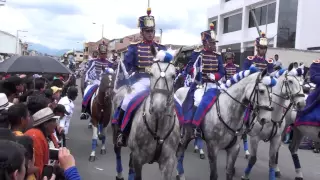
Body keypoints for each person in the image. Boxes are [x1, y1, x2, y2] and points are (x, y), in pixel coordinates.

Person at [116, 7, 167, 146]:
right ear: (142, 32)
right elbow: (126, 65)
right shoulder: (134, 47)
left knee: (176, 103)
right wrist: (126, 79)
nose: (151, 34)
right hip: (142, 80)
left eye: (152, 31)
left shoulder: (161, 48)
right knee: (127, 101)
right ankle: (122, 132)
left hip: (159, 82)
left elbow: (168, 64)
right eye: (148, 31)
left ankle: (179, 133)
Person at [182, 23, 224, 137]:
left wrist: (215, 76)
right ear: (205, 43)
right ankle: (195, 126)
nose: (214, 45)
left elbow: (222, 71)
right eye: (211, 43)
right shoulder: (197, 54)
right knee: (198, 101)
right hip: (200, 84)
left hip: (214, 85)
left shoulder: (218, 55)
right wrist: (196, 71)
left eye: (214, 43)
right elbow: (189, 68)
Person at [80, 41, 114, 120]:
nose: (103, 55)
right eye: (102, 53)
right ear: (99, 53)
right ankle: (84, 111)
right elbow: (88, 72)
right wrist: (95, 79)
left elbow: (112, 73)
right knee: (87, 92)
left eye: (104, 53)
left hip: (106, 83)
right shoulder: (93, 61)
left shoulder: (110, 63)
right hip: (95, 81)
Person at [24, 107, 59, 176]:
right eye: (54, 121)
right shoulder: (36, 136)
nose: (56, 124)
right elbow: (38, 167)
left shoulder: (45, 134)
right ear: (45, 124)